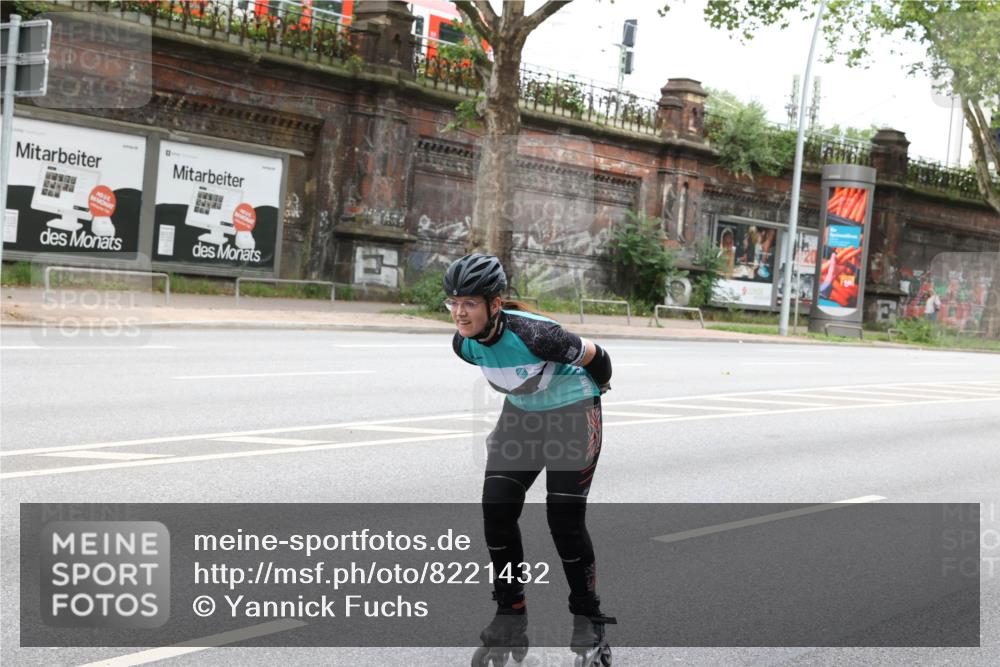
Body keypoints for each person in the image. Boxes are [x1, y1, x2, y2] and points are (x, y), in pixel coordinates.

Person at [445, 253, 616, 667]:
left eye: (469, 302)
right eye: (453, 302)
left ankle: (587, 619)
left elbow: (601, 360)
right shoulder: (463, 345)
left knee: (563, 518)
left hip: (573, 412)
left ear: (495, 303)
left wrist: (598, 392)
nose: (459, 312)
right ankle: (511, 615)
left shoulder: (539, 336)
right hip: (522, 418)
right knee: (497, 509)